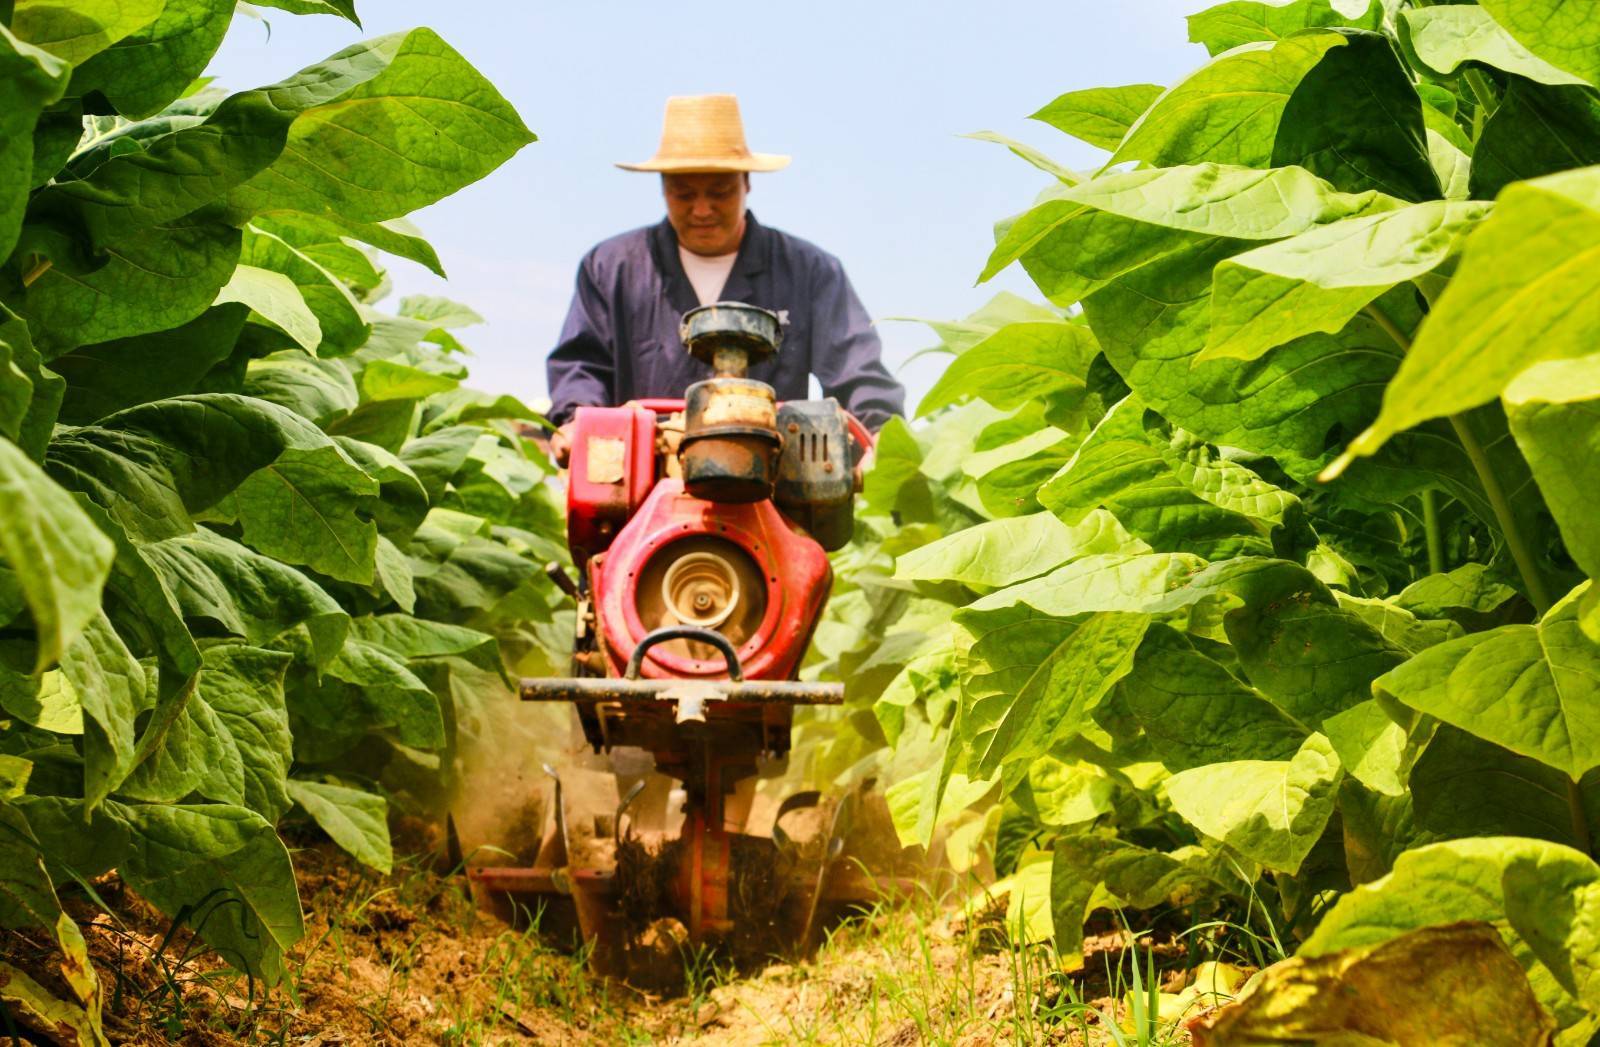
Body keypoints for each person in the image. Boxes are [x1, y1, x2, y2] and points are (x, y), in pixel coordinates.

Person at [545, 94, 905, 463]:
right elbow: (582, 366)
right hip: (640, 482)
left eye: (720, 192)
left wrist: (878, 433)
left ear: (747, 183)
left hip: (775, 485)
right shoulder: (611, 267)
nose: (702, 210)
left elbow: (857, 371)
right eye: (684, 194)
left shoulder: (809, 270)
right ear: (662, 188)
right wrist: (575, 420)